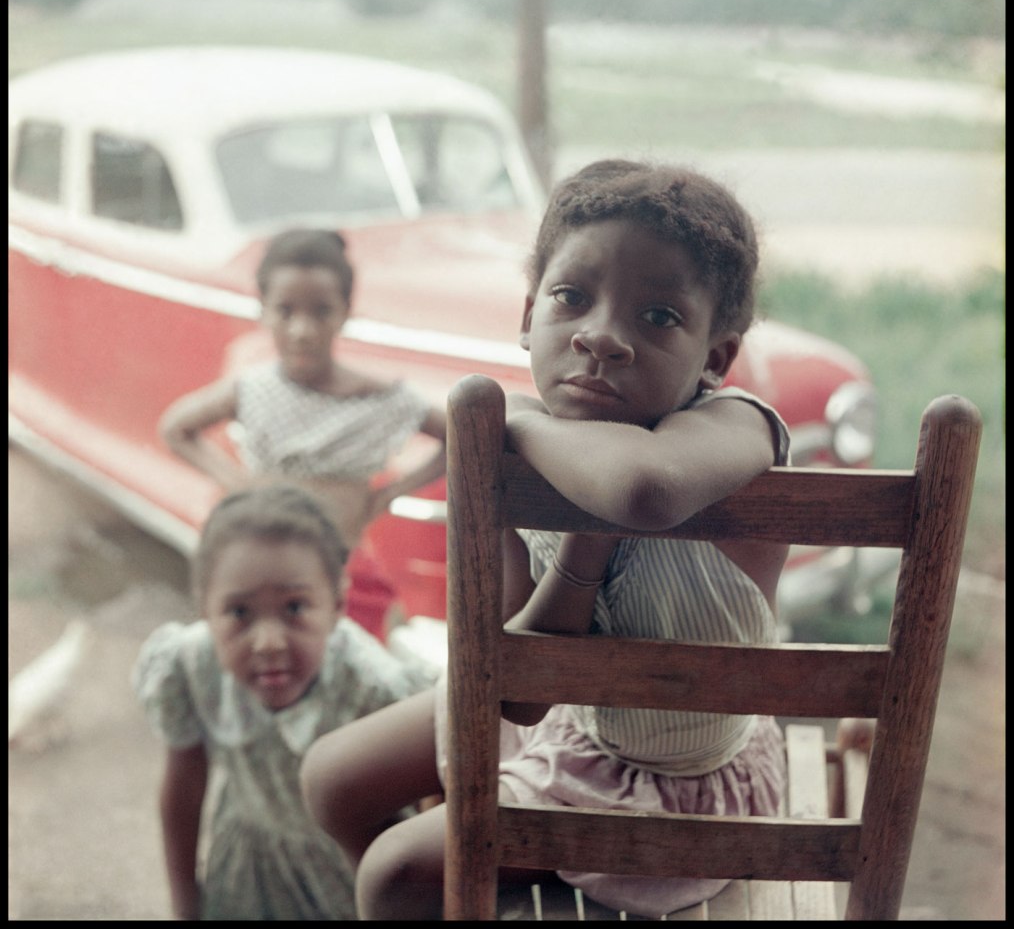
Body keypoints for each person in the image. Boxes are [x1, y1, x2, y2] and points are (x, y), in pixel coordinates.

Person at [299, 158, 792, 920]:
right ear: (530, 314)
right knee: (332, 776)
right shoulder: (516, 459)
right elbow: (521, 694)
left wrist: (515, 422)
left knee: (395, 875)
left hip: (680, 783)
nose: (601, 337)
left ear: (718, 357)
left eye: (659, 316)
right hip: (569, 718)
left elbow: (642, 489)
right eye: (572, 296)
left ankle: (456, 879)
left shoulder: (736, 426)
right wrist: (581, 556)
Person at [132, 483, 436, 920]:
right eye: (239, 613)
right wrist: (185, 905)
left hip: (348, 880)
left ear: (336, 605)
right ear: (204, 609)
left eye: (295, 608)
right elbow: (183, 788)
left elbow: (431, 805)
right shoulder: (191, 665)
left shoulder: (375, 687)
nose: (269, 642)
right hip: (246, 870)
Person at [158, 227, 447, 638]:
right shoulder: (254, 389)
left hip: (343, 577)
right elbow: (175, 428)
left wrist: (389, 495)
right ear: (263, 311)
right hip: (262, 577)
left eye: (320, 311)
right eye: (286, 311)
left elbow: (459, 436)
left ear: (345, 312)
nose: (302, 329)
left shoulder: (380, 398)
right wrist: (239, 483)